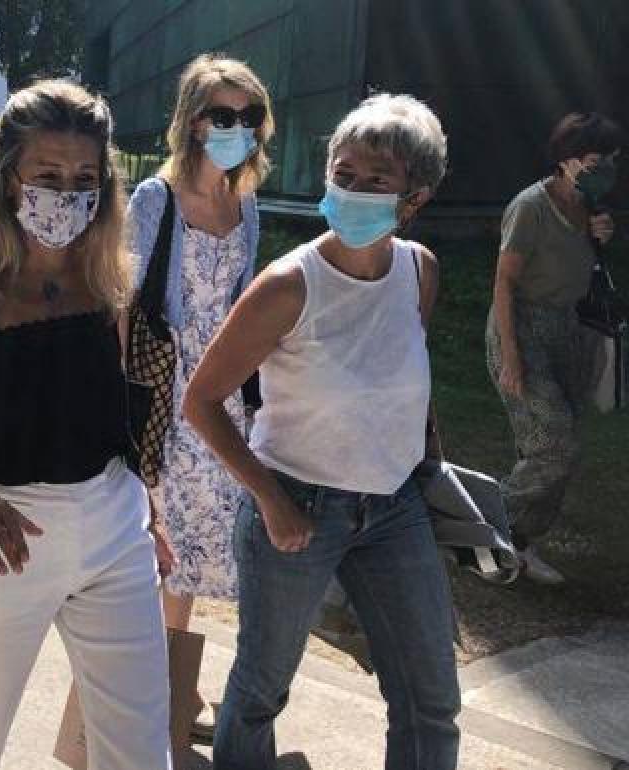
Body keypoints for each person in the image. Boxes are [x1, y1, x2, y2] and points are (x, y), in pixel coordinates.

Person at [0, 80, 172, 770]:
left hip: (114, 527)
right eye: (48, 175)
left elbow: (108, 413)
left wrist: (149, 509)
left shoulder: (105, 275)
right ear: (5, 178)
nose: (67, 193)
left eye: (85, 178)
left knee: (140, 743)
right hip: (4, 536)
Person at [183, 94, 460, 770]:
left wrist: (434, 472)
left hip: (394, 510)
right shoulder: (287, 286)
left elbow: (406, 378)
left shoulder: (419, 271)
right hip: (297, 507)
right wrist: (270, 501)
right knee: (259, 692)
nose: (353, 190)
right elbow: (203, 401)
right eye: (344, 173)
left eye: (376, 181)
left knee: (431, 698)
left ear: (414, 198)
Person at [124, 54, 271, 737]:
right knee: (173, 555)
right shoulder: (155, 198)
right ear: (191, 120)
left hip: (226, 401)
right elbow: (125, 305)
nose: (236, 127)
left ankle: (184, 693)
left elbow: (247, 306)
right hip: (166, 396)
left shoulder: (248, 204)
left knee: (226, 548)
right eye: (222, 113)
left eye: (248, 116)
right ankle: (165, 700)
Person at [486, 112, 622, 584]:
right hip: (522, 327)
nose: (606, 168)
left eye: (613, 159)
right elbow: (503, 283)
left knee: (551, 450)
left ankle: (520, 544)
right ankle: (483, 527)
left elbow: (583, 272)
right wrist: (510, 356)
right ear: (566, 162)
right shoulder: (530, 207)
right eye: (595, 160)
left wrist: (600, 238)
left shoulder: (590, 208)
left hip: (567, 330)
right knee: (556, 446)